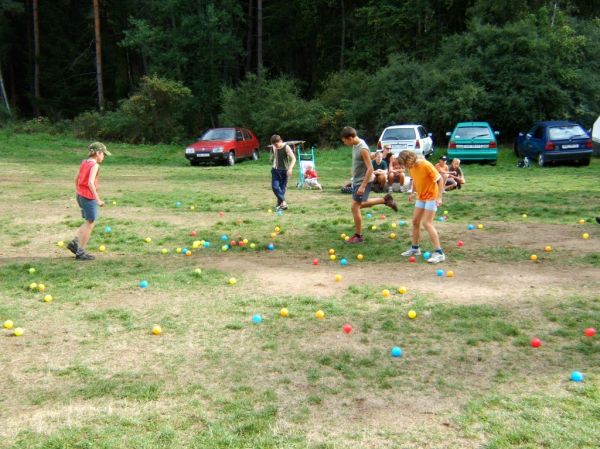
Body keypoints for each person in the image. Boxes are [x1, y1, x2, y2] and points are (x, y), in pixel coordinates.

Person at [341, 126, 397, 244]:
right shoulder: (356, 144)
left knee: (355, 207)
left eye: (345, 140)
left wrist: (363, 185)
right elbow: (366, 158)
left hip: (362, 181)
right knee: (359, 205)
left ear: (351, 138)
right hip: (357, 180)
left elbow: (370, 168)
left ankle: (358, 236)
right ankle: (385, 200)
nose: (344, 143)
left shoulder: (362, 148)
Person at [396, 150, 445, 263]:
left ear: (409, 159)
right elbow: (415, 180)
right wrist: (413, 192)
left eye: (405, 164)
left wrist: (439, 197)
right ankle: (415, 248)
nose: (405, 167)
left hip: (432, 196)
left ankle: (439, 253)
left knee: (426, 223)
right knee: (415, 221)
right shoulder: (411, 167)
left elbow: (440, 179)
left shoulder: (425, 164)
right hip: (421, 196)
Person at [67, 142, 112, 261]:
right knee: (90, 223)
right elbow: (90, 183)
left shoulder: (84, 162)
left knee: (87, 221)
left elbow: (76, 178)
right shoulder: (95, 165)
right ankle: (80, 252)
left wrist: (78, 190)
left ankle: (75, 243)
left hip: (80, 195)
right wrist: (98, 200)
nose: (104, 157)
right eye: (103, 154)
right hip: (88, 197)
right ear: (98, 153)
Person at [269, 134, 296, 210]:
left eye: (276, 144)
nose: (275, 146)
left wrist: (290, 169)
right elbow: (275, 156)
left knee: (282, 189)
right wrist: (272, 157)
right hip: (275, 170)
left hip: (285, 171)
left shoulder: (286, 147)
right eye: (274, 145)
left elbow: (294, 159)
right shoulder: (274, 146)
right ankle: (283, 202)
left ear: (280, 141)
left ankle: (280, 204)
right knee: (275, 187)